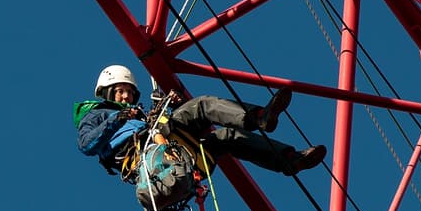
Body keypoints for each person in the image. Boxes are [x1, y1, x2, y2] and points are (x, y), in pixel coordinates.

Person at [74, 64, 327, 177]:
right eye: (120, 91)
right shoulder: (97, 114)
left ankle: (288, 158)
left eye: (129, 91)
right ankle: (257, 118)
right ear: (107, 93)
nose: (126, 95)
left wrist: (166, 105)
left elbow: (156, 122)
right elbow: (86, 144)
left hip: (171, 148)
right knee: (202, 105)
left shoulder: (139, 113)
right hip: (149, 153)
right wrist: (117, 118)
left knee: (226, 138)